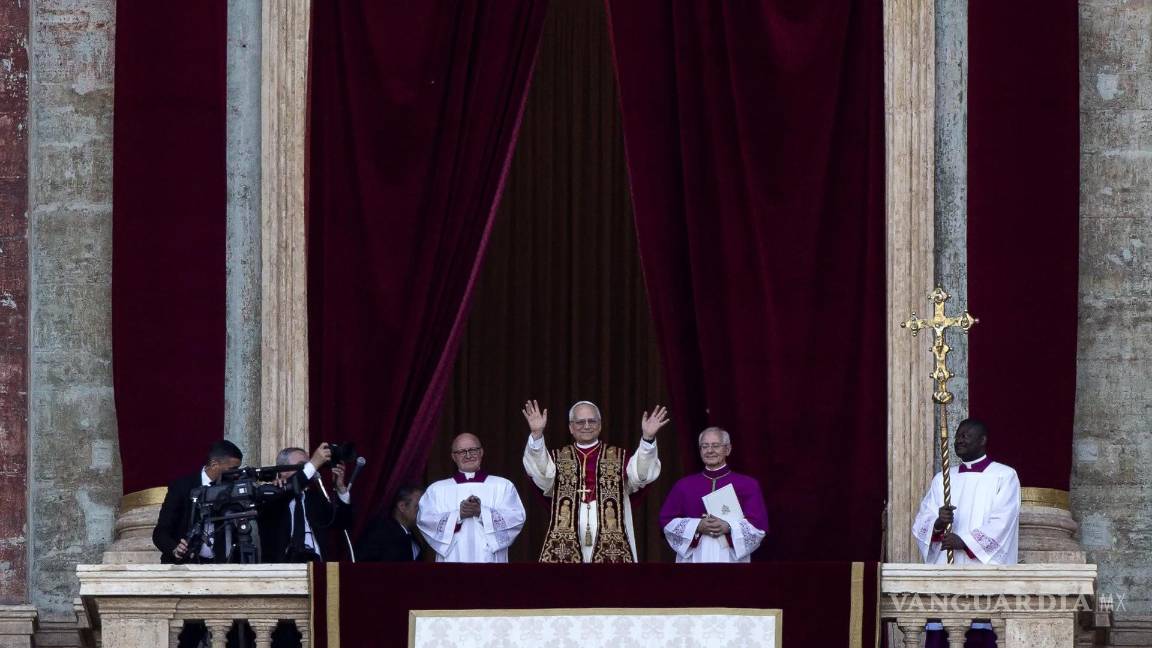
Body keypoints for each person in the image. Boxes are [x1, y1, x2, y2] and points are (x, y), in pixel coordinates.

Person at [913, 418, 1020, 647]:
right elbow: (923, 518)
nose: (959, 439)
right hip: (945, 571)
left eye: (966, 435)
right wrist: (938, 524)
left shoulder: (1004, 476)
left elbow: (1003, 521)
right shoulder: (943, 478)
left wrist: (965, 542)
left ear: (982, 441)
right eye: (958, 435)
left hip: (981, 573)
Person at [522, 399, 668, 563]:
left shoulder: (619, 457)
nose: (586, 426)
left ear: (599, 425)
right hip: (566, 536)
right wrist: (536, 435)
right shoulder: (557, 458)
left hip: (612, 535)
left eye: (592, 421)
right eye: (580, 422)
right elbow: (541, 476)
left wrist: (647, 439)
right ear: (571, 427)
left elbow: (641, 476)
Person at [658, 427, 769, 563]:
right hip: (694, 558)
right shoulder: (684, 486)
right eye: (705, 446)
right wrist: (697, 526)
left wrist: (728, 527)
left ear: (727, 449)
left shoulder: (748, 485)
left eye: (715, 446)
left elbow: (758, 526)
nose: (710, 450)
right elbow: (666, 521)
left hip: (731, 558)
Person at [416, 433, 526, 562]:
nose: (468, 455)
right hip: (453, 559)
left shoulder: (503, 486)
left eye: (473, 450)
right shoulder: (437, 489)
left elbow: (516, 518)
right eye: (462, 451)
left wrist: (481, 512)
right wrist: (458, 515)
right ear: (453, 456)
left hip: (490, 560)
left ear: (481, 452)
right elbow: (425, 520)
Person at [153, 440, 244, 564]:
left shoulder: (234, 489)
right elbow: (161, 532)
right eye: (232, 469)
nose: (236, 475)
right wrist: (175, 549)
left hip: (221, 567)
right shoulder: (182, 487)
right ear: (214, 464)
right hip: (185, 567)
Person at [260, 443, 354, 562]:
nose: (308, 471)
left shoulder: (315, 499)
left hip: (317, 564)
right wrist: (314, 463)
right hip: (282, 568)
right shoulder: (271, 494)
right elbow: (295, 483)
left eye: (308, 466)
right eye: (301, 466)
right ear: (283, 471)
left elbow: (343, 522)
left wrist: (340, 488)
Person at [357, 486, 425, 562]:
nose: (422, 512)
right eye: (417, 507)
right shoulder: (380, 532)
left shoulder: (413, 538)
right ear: (402, 506)